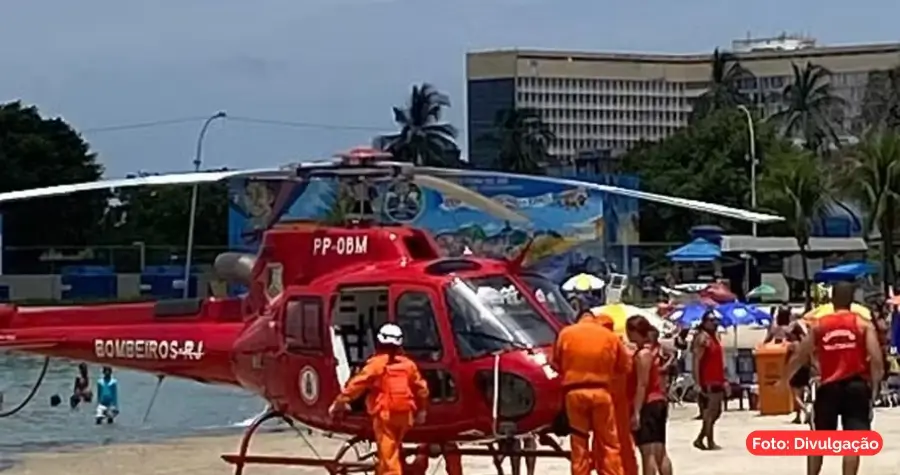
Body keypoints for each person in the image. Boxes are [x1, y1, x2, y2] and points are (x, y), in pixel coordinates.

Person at [781, 282, 883, 475]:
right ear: (852, 300)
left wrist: (784, 379)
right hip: (856, 385)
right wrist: (876, 386)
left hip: (828, 386)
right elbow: (876, 359)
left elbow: (801, 355)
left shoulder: (819, 324)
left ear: (832, 300)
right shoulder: (863, 324)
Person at [328, 323, 429, 475]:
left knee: (389, 460)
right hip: (405, 416)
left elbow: (357, 384)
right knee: (390, 452)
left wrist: (340, 402)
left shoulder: (376, 364)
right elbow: (422, 389)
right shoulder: (409, 365)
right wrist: (422, 411)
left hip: (386, 417)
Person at [552, 310, 630, 475]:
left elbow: (555, 364)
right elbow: (624, 366)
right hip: (601, 392)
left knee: (579, 442)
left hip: (573, 394)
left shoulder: (566, 333)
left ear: (578, 318)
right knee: (608, 443)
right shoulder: (609, 336)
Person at [626, 316, 673, 475]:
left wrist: (636, 412)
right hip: (658, 401)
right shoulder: (651, 351)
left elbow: (642, 385)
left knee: (648, 453)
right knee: (660, 452)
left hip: (648, 404)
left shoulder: (642, 355)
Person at [691, 310, 726, 450]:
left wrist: (725, 379)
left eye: (715, 320)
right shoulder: (702, 339)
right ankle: (709, 442)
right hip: (707, 381)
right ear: (705, 322)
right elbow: (696, 362)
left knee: (716, 412)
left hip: (717, 379)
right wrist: (697, 383)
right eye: (711, 320)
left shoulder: (715, 337)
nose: (714, 323)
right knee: (710, 413)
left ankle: (700, 439)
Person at [786, 323, 812, 424]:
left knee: (795, 395)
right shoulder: (805, 344)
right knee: (803, 393)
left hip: (796, 370)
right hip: (806, 369)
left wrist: (786, 372)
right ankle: (798, 417)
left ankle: (806, 411)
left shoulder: (792, 346)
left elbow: (788, 360)